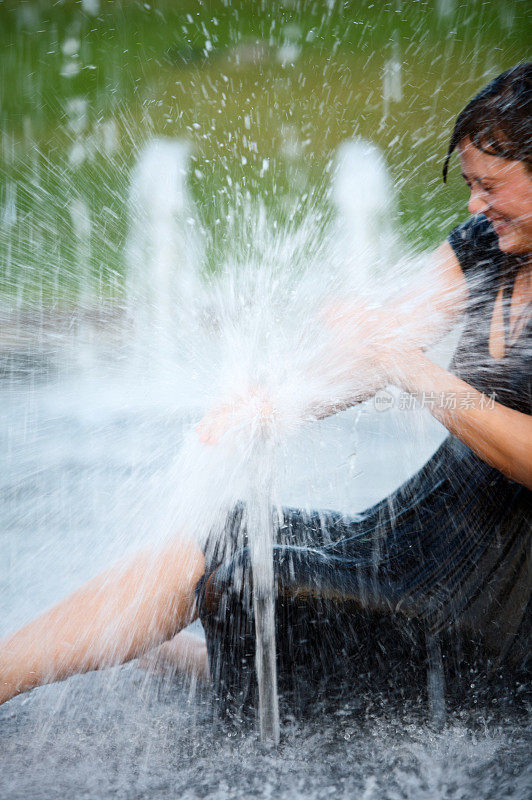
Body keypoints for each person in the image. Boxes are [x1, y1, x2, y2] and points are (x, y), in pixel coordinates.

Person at [1, 64, 531, 708]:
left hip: (492, 596)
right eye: (470, 185)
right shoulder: (487, 244)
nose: (475, 204)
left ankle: (191, 658)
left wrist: (409, 367)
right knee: (221, 538)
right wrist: (279, 400)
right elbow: (385, 341)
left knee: (250, 575)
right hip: (415, 530)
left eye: (490, 186)